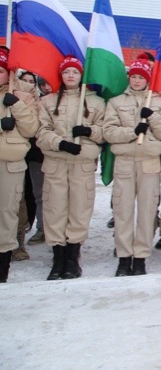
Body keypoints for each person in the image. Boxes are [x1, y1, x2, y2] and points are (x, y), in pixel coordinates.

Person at [37, 55, 106, 280]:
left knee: (79, 210)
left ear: (81, 75)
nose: (70, 76)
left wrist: (88, 132)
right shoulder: (47, 101)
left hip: (82, 165)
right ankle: (58, 259)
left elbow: (104, 131)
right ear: (61, 74)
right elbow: (41, 131)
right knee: (55, 210)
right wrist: (61, 143)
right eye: (66, 72)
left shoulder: (95, 103)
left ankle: (72, 258)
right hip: (56, 163)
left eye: (75, 72)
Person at [103, 57, 161, 276]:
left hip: (149, 163)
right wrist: (132, 131)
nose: (137, 81)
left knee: (147, 211)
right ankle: (124, 256)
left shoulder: (159, 102)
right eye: (134, 77)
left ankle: (141, 255)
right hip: (125, 161)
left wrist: (153, 117)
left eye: (141, 77)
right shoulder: (116, 102)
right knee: (122, 210)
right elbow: (109, 132)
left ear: (147, 79)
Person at [0, 51, 40, 282]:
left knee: (7, 214)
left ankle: (3, 265)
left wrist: (16, 106)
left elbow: (31, 129)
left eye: (2, 71)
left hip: (12, 165)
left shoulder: (22, 97)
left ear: (9, 73)